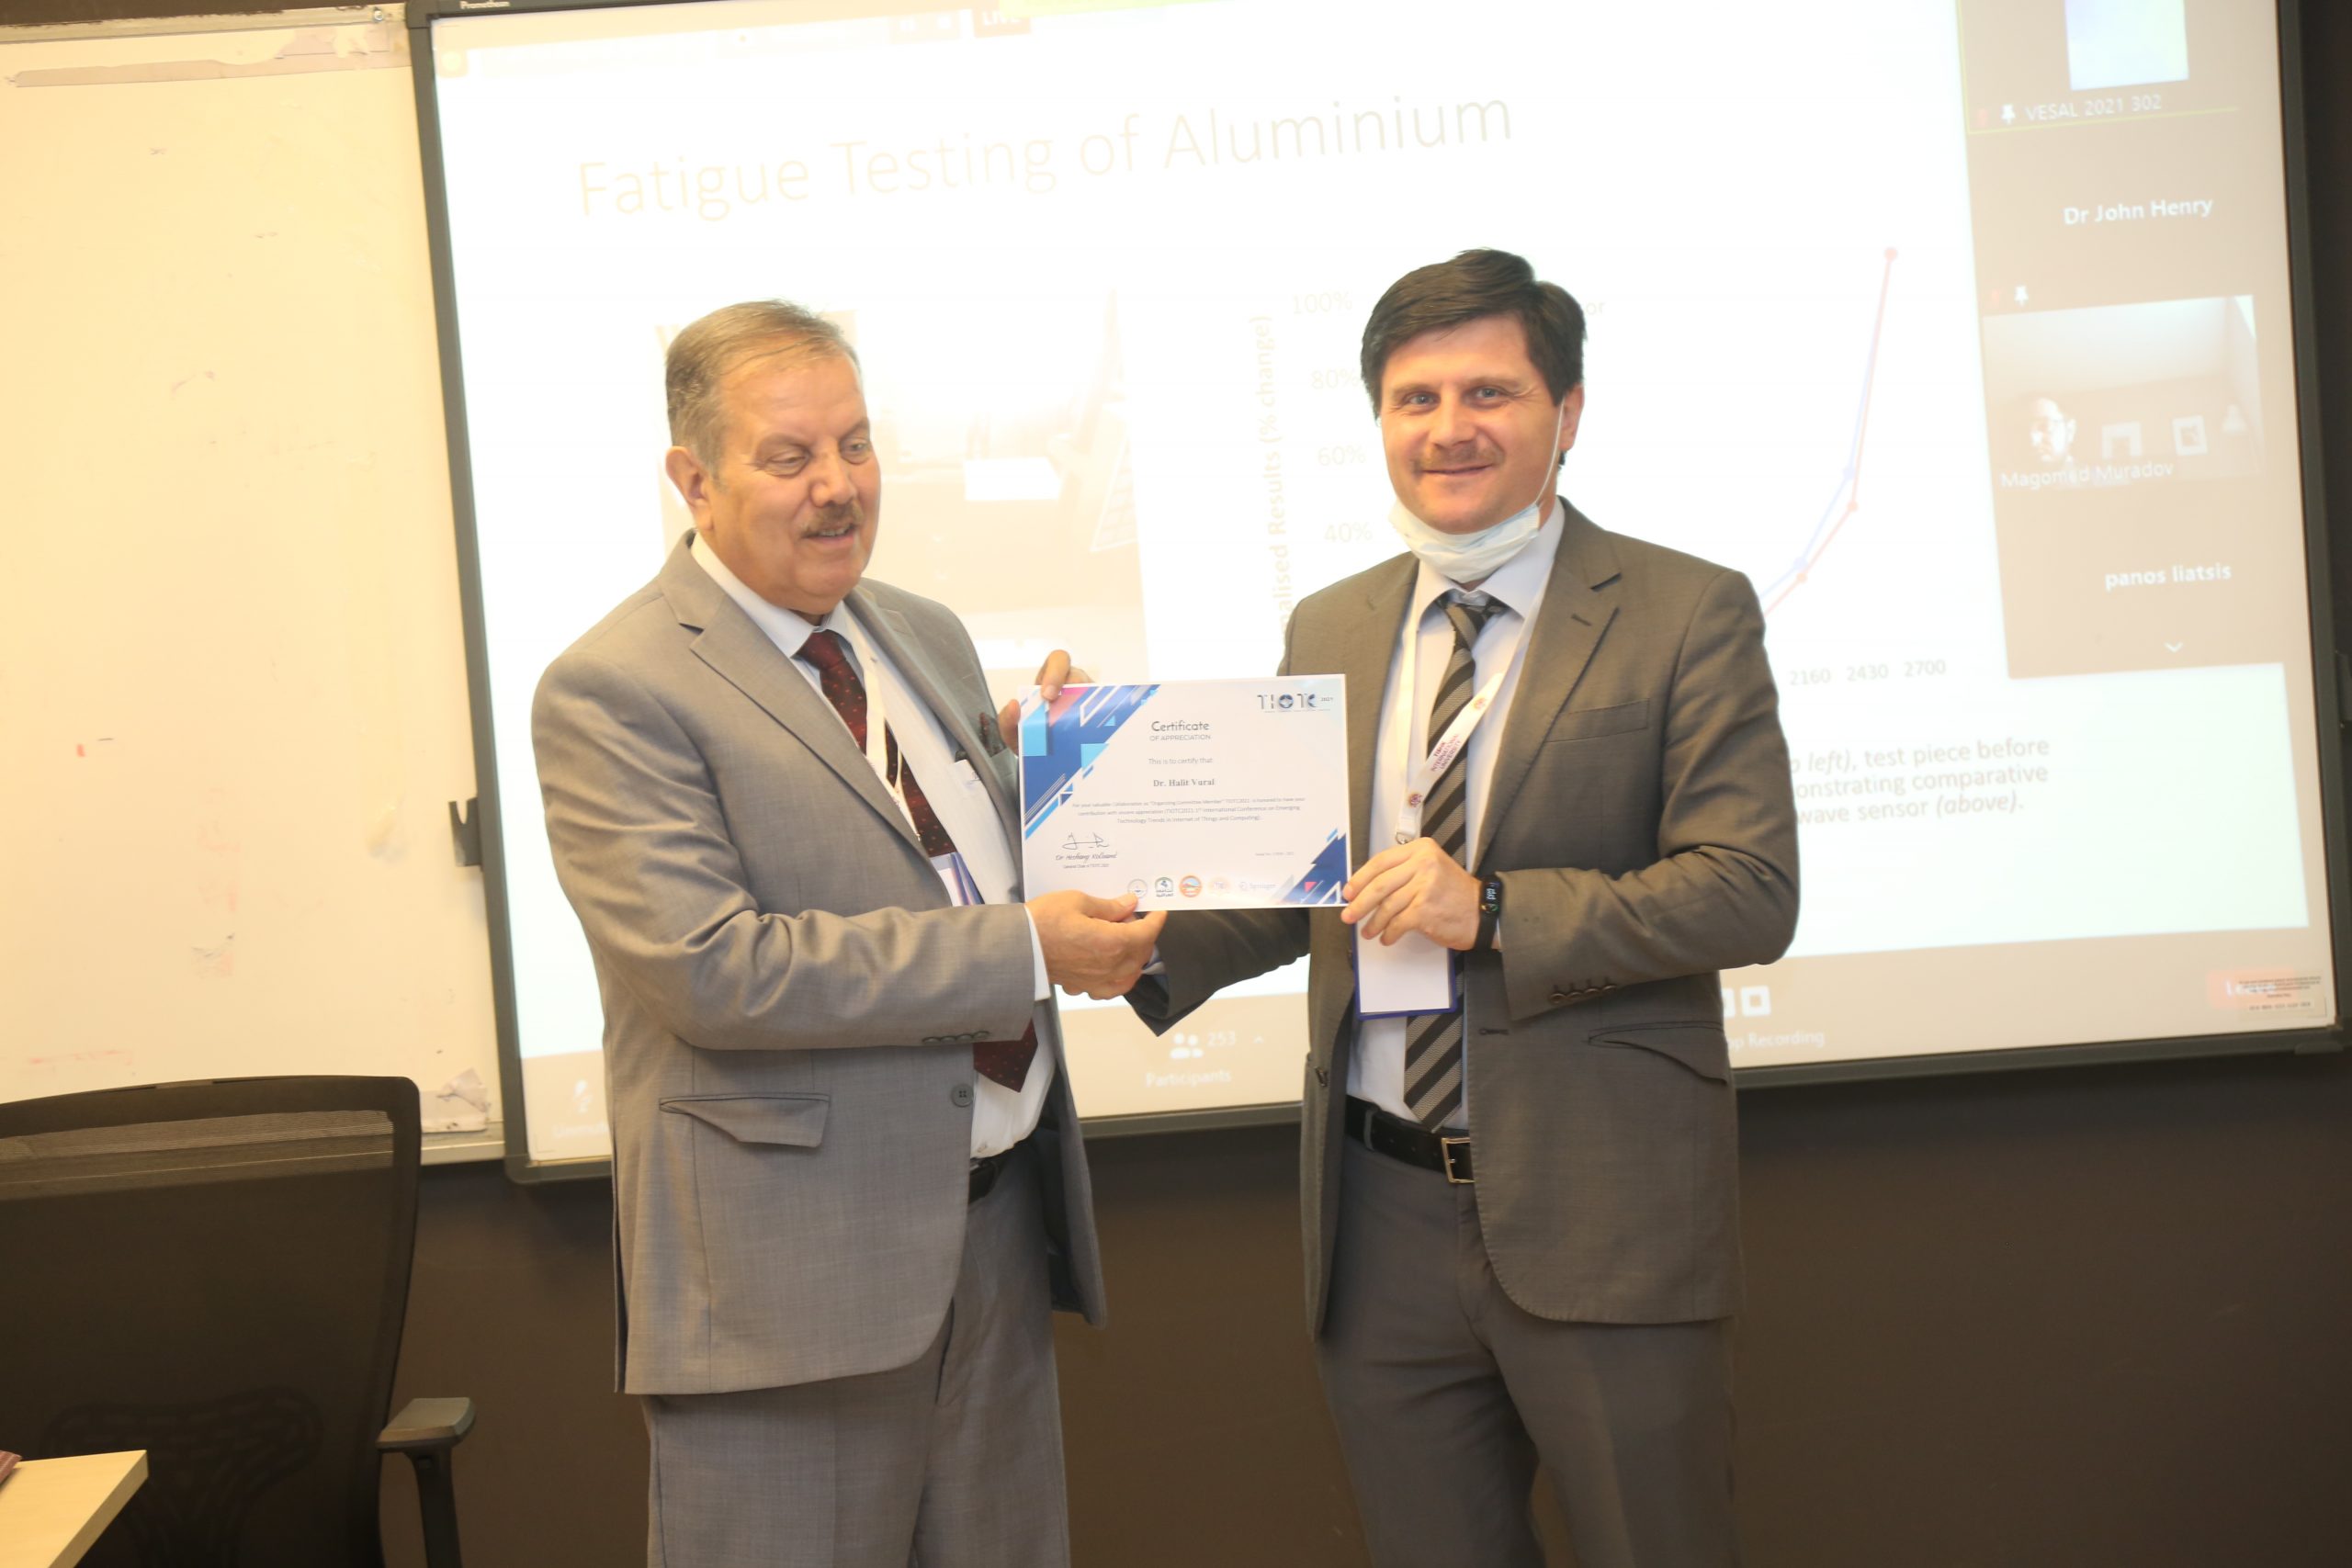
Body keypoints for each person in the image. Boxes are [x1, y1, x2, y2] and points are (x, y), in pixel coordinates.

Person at [1129, 250, 1799, 1566]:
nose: (1449, 428)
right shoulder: (1332, 624)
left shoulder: (1685, 611)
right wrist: (1141, 936)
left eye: (1489, 392)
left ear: (1568, 411)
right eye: (1414, 398)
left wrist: (1490, 907)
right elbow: (1307, 883)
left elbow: (1747, 889)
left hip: (1598, 1201)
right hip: (1378, 1214)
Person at [532, 299, 1163, 1568]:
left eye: (857, 445)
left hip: (991, 1243)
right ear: (692, 480)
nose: (838, 487)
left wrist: (1059, 777)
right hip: (790, 1288)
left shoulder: (917, 630)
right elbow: (718, 971)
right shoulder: (614, 688)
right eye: (790, 457)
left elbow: (930, 860)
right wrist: (1027, 949)